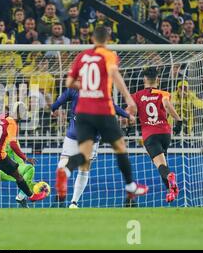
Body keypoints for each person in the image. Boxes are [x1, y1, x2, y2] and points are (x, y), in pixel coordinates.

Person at [57, 26, 149, 202]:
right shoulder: (108, 55)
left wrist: (85, 87)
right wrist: (129, 100)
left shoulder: (81, 56)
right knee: (120, 147)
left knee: (84, 154)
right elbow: (114, 74)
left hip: (82, 112)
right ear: (107, 39)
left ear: (92, 38)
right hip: (102, 110)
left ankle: (65, 170)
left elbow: (69, 81)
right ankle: (130, 186)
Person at [52, 88, 133, 208]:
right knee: (84, 168)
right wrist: (127, 115)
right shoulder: (102, 91)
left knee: (65, 160)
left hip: (74, 132)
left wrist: (54, 109)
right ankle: (73, 202)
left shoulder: (75, 90)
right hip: (92, 136)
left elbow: (57, 104)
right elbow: (113, 107)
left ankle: (61, 186)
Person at [0, 102, 48, 209]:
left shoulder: (0, 116)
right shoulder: (12, 124)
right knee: (18, 176)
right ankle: (31, 196)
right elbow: (13, 144)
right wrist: (25, 158)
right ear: (20, 113)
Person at [132, 67, 182, 202]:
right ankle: (170, 191)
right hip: (165, 134)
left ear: (144, 79)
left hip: (150, 135)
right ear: (157, 80)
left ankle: (170, 179)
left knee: (160, 165)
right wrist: (178, 120)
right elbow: (166, 104)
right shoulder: (163, 93)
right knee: (162, 164)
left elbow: (131, 111)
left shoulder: (137, 95)